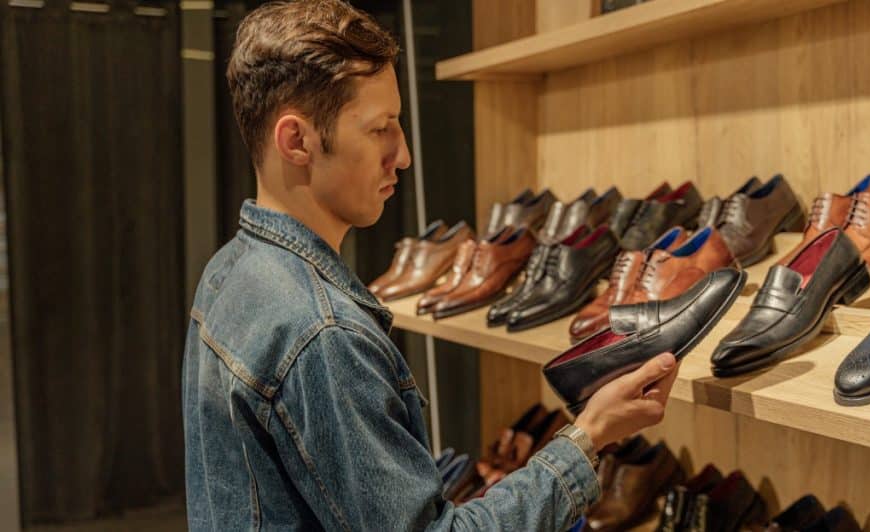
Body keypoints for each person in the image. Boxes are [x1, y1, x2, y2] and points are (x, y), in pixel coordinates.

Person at [181, 0, 681, 529]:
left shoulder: (229, 271)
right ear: (297, 140)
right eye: (381, 129)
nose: (403, 155)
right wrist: (590, 434)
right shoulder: (322, 333)